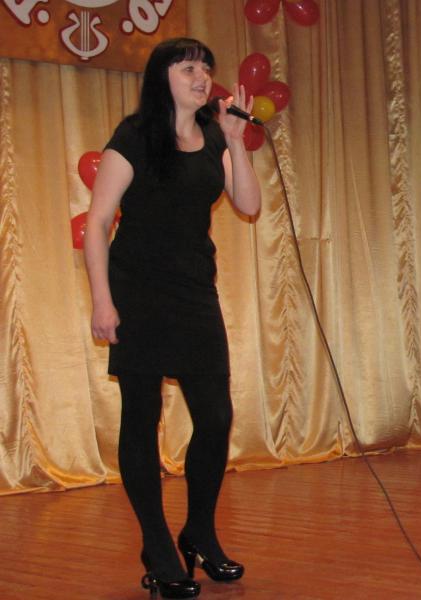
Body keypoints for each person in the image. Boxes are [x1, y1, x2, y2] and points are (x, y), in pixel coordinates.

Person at [84, 38, 261, 597]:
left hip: (193, 294)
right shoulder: (135, 135)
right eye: (188, 68)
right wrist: (102, 300)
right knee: (141, 416)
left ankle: (199, 532)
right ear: (162, 76)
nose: (201, 77)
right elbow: (98, 222)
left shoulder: (215, 135)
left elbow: (249, 205)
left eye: (206, 68)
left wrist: (238, 143)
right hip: (137, 292)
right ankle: (158, 547)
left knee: (216, 417)